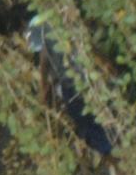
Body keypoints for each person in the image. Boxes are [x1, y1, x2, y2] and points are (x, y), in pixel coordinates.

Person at [26, 17, 116, 165]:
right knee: (106, 115)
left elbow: (44, 61)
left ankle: (117, 165)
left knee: (87, 126)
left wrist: (43, 87)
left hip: (74, 82)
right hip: (89, 75)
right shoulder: (62, 20)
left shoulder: (42, 30)